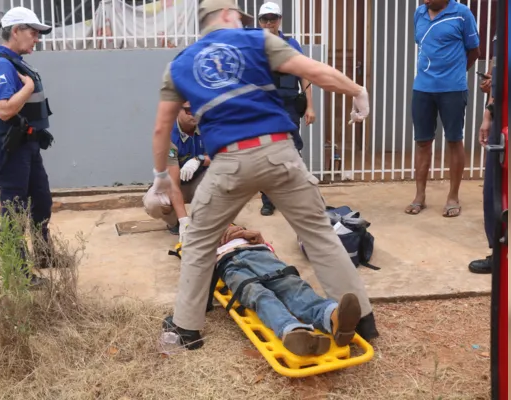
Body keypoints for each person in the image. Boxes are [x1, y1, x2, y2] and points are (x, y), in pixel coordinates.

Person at [145, 0, 378, 350]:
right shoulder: (259, 41)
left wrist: (161, 174)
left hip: (229, 163)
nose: (243, 21)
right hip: (281, 153)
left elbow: (162, 126)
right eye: (239, 15)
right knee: (319, 235)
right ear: (227, 14)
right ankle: (362, 320)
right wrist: (357, 91)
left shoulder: (179, 65)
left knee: (198, 241)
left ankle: (186, 329)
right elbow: (313, 71)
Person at [0, 7, 56, 288]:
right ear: (15, 31)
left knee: (42, 200)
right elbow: (4, 110)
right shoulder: (1, 64)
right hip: (11, 149)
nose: (36, 38)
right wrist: (26, 89)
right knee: (14, 210)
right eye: (33, 32)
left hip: (27, 144)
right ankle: (18, 273)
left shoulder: (15, 61)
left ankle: (44, 254)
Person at [214, 224, 362, 355]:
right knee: (257, 294)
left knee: (290, 284)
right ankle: (294, 332)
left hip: (257, 251)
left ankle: (333, 316)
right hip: (227, 263)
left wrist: (254, 237)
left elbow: (267, 246)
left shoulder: (235, 224)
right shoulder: (197, 232)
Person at [405, 0, 480, 218]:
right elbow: (423, 44)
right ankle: (419, 196)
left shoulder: (462, 14)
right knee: (422, 141)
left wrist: (455, 73)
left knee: (454, 140)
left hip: (453, 90)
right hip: (422, 88)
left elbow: (474, 51)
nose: (425, 0)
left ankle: (453, 197)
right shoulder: (418, 13)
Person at [255, 2, 316, 216]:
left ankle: (294, 197)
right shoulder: (255, 46)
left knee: (291, 151)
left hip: (288, 105)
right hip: (264, 108)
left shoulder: (291, 44)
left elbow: (304, 74)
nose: (269, 23)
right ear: (259, 21)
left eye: (273, 18)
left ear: (280, 20)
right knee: (265, 153)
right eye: (265, 19)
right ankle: (268, 200)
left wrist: (310, 106)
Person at [144, 101, 210, 240]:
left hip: (200, 181)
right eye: (188, 110)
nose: (194, 114)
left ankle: (208, 221)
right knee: (153, 202)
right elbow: (173, 184)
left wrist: (198, 159)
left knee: (225, 178)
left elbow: (222, 156)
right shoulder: (168, 135)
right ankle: (175, 222)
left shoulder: (208, 125)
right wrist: (184, 221)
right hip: (175, 182)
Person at [468, 34, 496, 274]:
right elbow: (495, 66)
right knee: (494, 190)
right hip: (503, 115)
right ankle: (500, 252)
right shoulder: (504, 28)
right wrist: (488, 115)